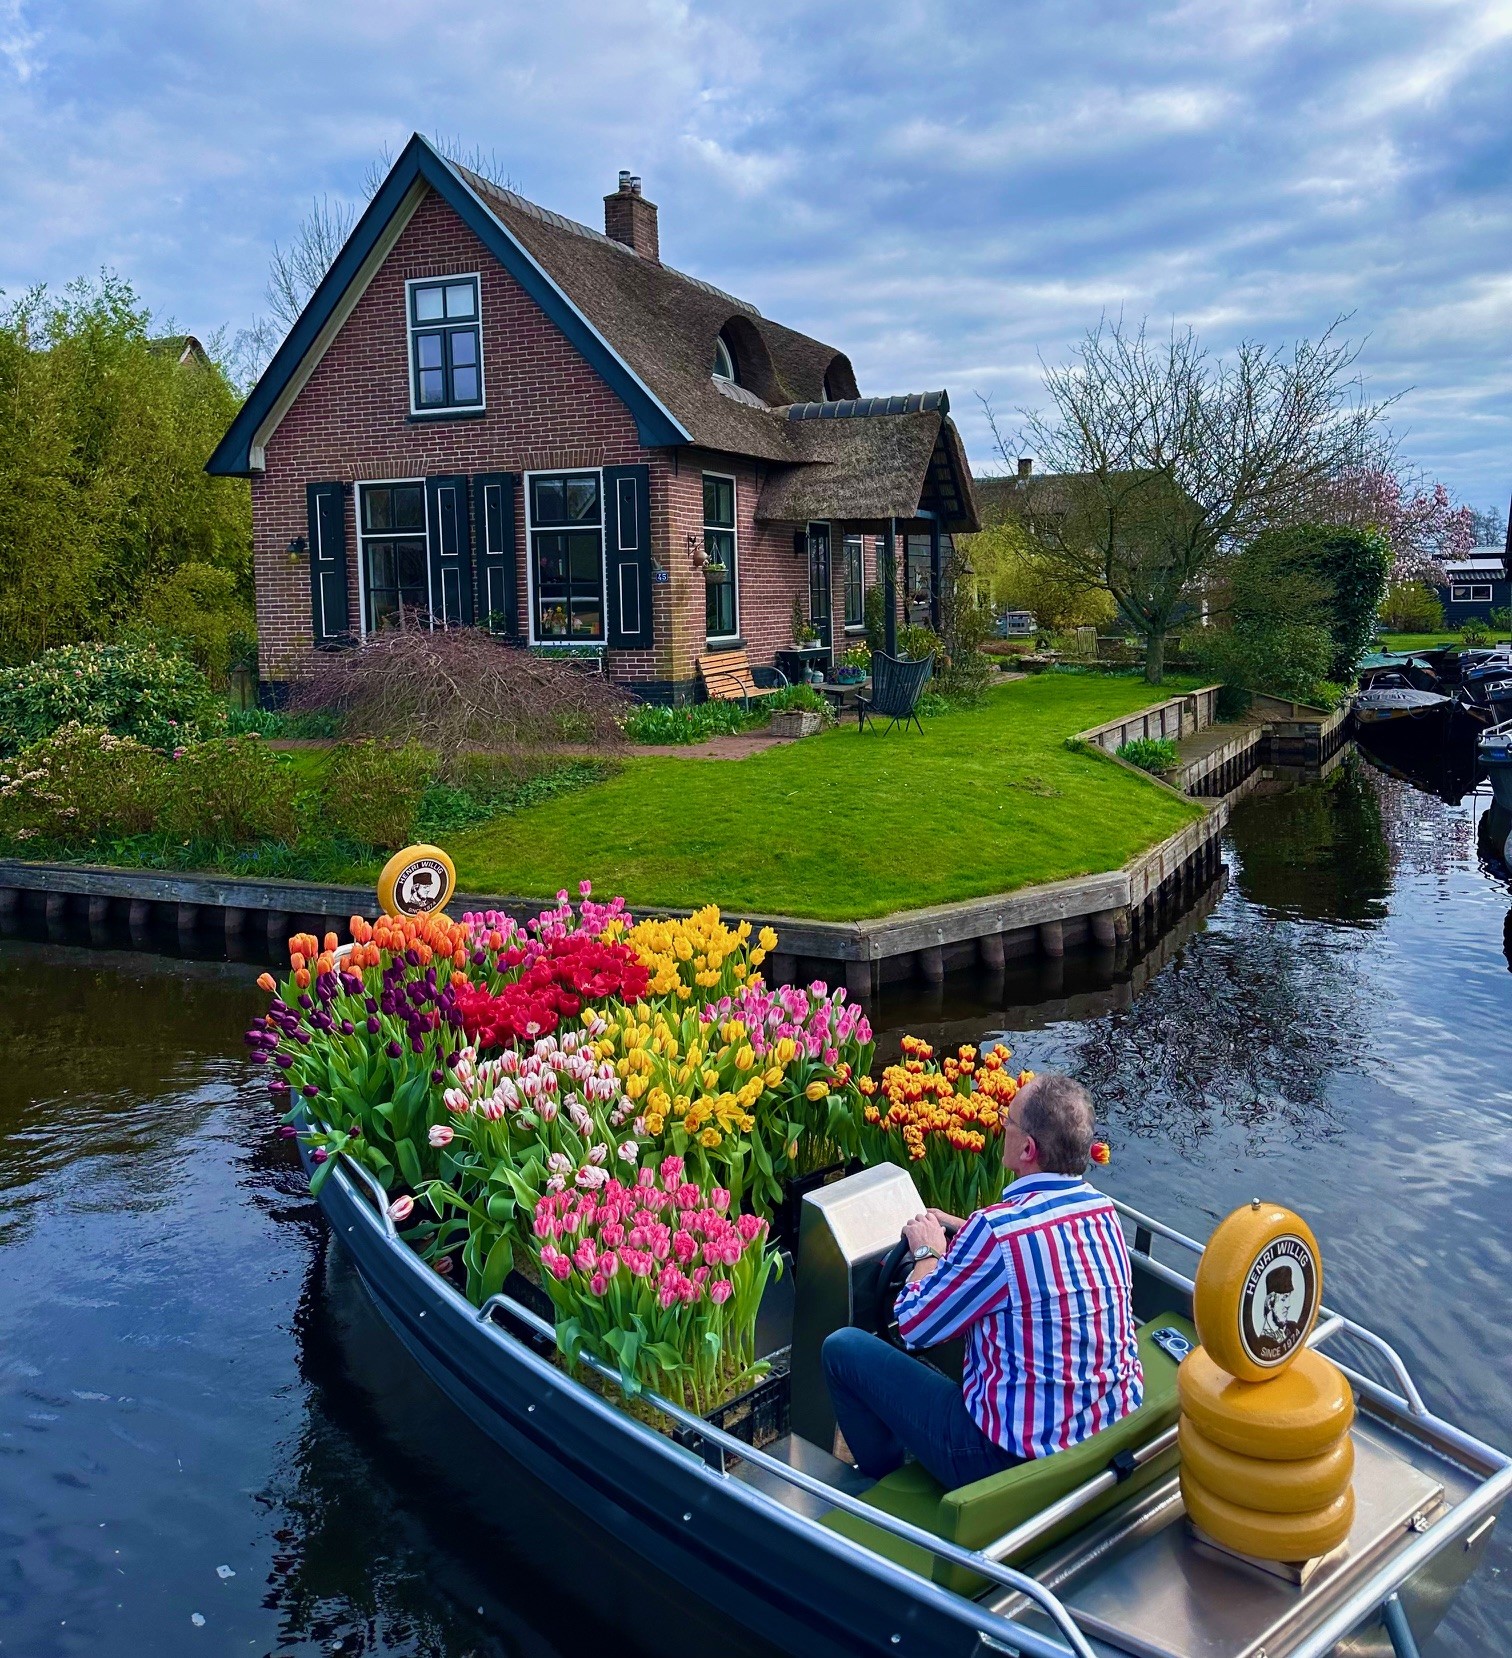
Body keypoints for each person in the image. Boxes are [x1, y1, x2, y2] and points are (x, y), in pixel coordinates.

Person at [821, 1071, 1143, 1491]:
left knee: (842, 1349)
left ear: (1027, 1148)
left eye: (1008, 1122)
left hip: (1002, 1459)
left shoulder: (997, 1233)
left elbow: (915, 1328)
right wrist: (961, 1228)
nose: (1001, 1129)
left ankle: (885, 1489)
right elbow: (1031, 1262)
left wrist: (926, 1251)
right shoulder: (1102, 1213)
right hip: (1100, 1437)